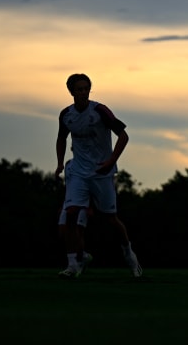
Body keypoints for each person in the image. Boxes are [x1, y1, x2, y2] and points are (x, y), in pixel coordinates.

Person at [55, 73, 143, 279]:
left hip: (101, 172)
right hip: (77, 171)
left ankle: (130, 255)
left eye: (86, 88)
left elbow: (123, 135)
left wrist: (111, 161)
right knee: (70, 214)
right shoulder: (66, 115)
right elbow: (61, 138)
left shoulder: (100, 110)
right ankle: (73, 265)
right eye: (79, 89)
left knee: (110, 219)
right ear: (71, 92)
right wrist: (60, 163)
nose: (83, 92)